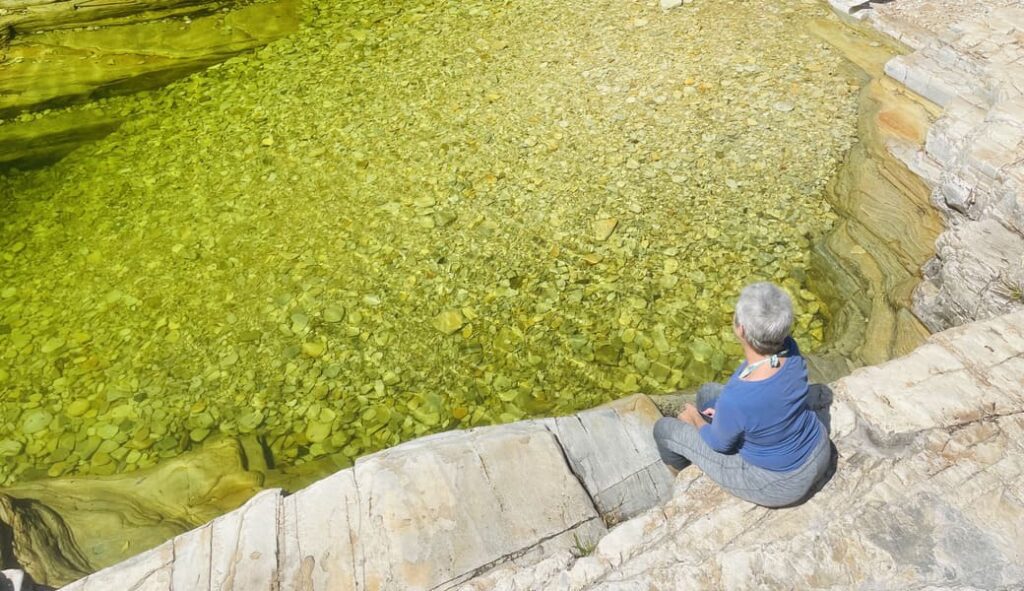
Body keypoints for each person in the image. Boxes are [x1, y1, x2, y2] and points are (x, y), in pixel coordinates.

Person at [652, 282, 831, 508]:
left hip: (778, 482)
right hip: (817, 447)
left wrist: (695, 420)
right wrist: (728, 415)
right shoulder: (791, 351)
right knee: (707, 391)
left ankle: (685, 475)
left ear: (741, 330)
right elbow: (765, 400)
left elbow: (719, 444)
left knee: (664, 429)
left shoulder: (737, 397)